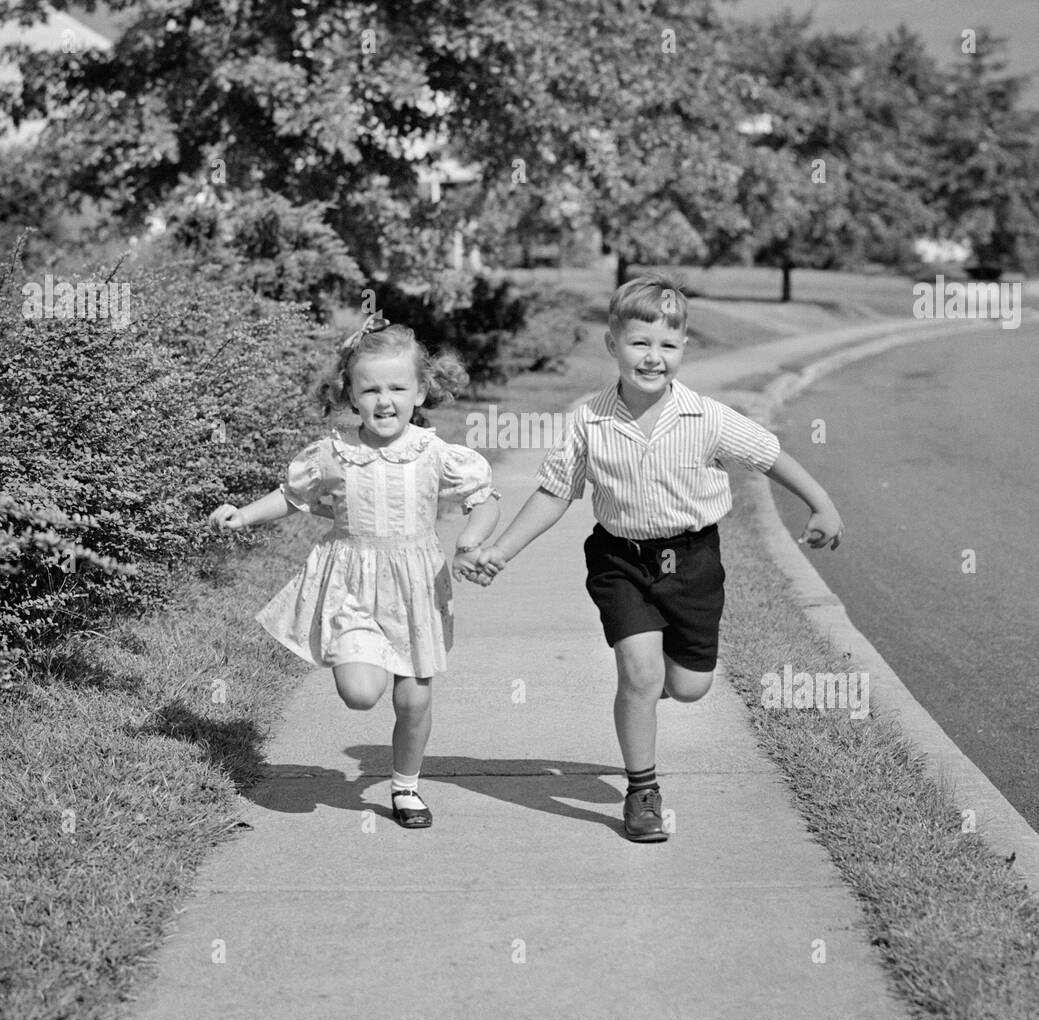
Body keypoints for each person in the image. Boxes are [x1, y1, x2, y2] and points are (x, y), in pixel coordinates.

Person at [472, 276, 843, 843]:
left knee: (690, 687)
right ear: (612, 344)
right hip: (620, 560)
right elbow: (554, 492)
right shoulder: (587, 420)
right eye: (640, 342)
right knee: (639, 674)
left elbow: (770, 457)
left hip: (693, 560)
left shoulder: (707, 417)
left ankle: (656, 686)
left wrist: (821, 504)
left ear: (684, 349)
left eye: (667, 345)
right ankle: (642, 790)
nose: (653, 357)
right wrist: (500, 551)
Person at [208, 315, 500, 829]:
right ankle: (370, 652)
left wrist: (471, 541)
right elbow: (292, 497)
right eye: (370, 389)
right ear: (350, 393)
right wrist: (243, 514)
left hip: (416, 588)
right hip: (351, 587)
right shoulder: (334, 453)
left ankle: (406, 788)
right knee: (362, 694)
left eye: (397, 387)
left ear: (421, 390)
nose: (384, 400)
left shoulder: (437, 455)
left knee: (413, 698)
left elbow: (484, 501)